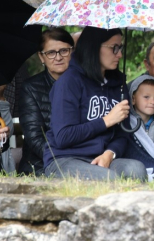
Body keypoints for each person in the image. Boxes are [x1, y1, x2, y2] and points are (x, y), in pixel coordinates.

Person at [43, 27, 147, 181]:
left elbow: (123, 133)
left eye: (121, 48)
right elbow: (63, 136)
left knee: (136, 169)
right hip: (66, 159)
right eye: (114, 48)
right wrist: (106, 121)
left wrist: (109, 154)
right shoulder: (69, 82)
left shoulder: (118, 85)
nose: (119, 54)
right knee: (108, 179)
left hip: (102, 157)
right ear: (94, 47)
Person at [18, 28, 74, 176]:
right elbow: (35, 137)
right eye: (50, 53)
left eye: (64, 51)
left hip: (79, 161)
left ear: (72, 52)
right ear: (41, 57)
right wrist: (65, 158)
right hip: (39, 166)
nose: (58, 57)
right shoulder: (30, 88)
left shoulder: (83, 85)